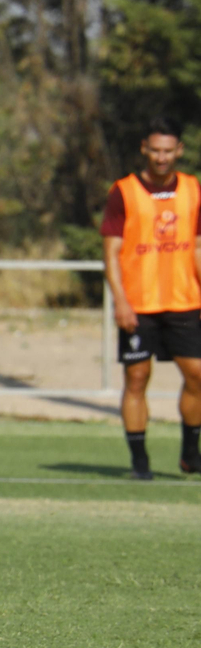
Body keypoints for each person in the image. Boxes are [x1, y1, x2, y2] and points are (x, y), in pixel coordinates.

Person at [100, 117, 201, 479]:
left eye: (168, 151)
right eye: (155, 150)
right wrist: (121, 301)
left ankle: (190, 453)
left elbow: (198, 247)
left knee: (197, 376)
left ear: (179, 151)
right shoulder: (123, 191)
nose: (161, 157)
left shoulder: (192, 189)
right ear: (144, 149)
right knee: (137, 378)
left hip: (184, 300)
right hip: (139, 305)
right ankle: (140, 462)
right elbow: (111, 253)